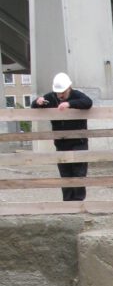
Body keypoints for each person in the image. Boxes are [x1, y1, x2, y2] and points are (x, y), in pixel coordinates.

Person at [32, 72, 93, 201]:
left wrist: (69, 104)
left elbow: (88, 102)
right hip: (61, 142)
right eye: (58, 92)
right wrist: (38, 102)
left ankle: (78, 201)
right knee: (65, 173)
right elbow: (33, 106)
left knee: (79, 172)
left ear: (69, 88)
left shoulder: (77, 95)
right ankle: (67, 201)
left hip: (79, 141)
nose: (60, 95)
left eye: (63, 93)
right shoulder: (51, 97)